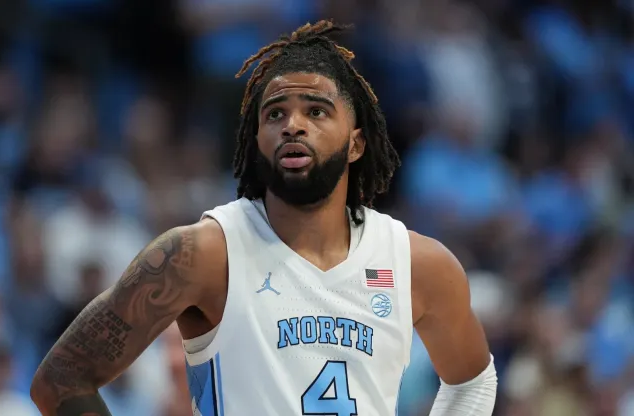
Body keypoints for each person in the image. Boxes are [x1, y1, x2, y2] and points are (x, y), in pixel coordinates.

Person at [30, 20, 497, 415]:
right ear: (257, 142)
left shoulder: (418, 264)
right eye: (276, 114)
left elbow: (473, 382)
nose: (293, 124)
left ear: (356, 143)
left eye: (316, 111)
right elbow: (63, 377)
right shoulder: (202, 253)